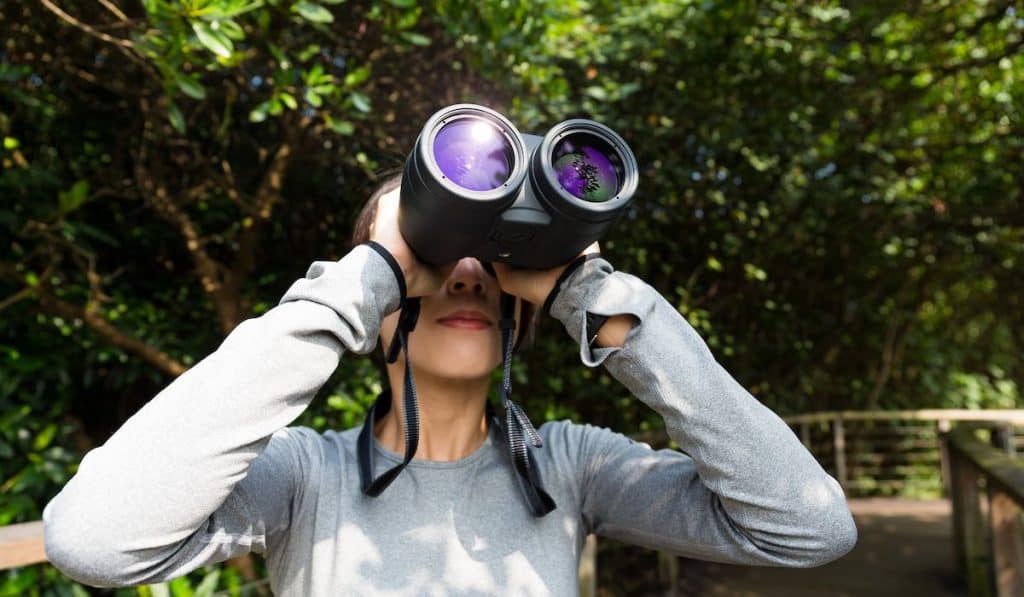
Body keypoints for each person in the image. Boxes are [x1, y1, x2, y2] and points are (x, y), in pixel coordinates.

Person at [42, 173, 857, 595]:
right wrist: (367, 277)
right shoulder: (303, 474)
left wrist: (594, 296)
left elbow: (809, 526)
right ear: (376, 294)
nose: (464, 274)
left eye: (489, 260)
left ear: (521, 304)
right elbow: (95, 539)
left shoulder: (570, 467)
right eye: (432, 254)